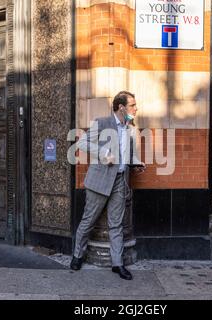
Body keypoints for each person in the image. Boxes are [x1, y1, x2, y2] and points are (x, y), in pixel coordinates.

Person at [70, 91, 145, 280]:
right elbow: (82, 144)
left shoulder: (130, 128)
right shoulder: (102, 123)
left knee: (116, 224)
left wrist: (136, 163)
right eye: (132, 105)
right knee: (88, 220)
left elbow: (128, 154)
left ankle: (117, 264)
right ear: (121, 107)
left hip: (120, 180)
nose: (136, 109)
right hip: (99, 181)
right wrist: (103, 152)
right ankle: (77, 256)